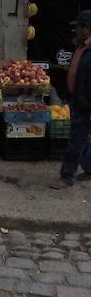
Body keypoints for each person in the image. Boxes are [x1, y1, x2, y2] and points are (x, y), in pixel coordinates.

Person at [52, 11, 91, 189]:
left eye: (78, 26)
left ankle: (67, 177)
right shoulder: (81, 45)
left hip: (85, 103)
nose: (75, 30)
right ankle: (89, 170)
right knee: (85, 139)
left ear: (87, 28)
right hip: (77, 98)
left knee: (76, 140)